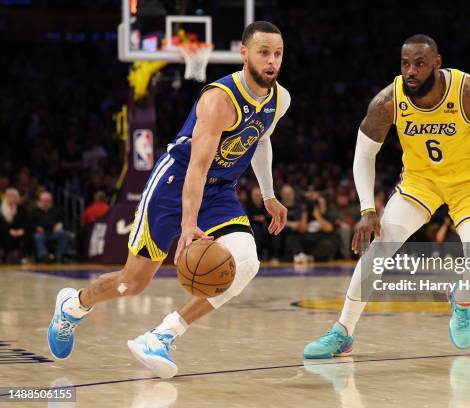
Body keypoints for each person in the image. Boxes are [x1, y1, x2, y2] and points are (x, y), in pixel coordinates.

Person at [47, 21, 290, 379]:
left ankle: (161, 336)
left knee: (246, 263)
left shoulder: (279, 99)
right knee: (133, 283)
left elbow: (261, 139)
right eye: (264, 52)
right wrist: (188, 225)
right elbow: (197, 166)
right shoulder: (219, 100)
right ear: (244, 53)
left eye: (278, 54)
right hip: (174, 183)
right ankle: (72, 305)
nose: (272, 61)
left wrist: (268, 194)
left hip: (220, 190)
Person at [304, 34, 470, 358]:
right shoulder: (387, 102)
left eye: (420, 64)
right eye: (406, 63)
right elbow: (363, 154)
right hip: (421, 182)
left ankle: (462, 300)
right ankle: (343, 331)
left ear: (437, 64)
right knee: (379, 248)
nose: (411, 71)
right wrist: (368, 209)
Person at [29, 191, 68, 262]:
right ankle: (44, 256)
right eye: (45, 200)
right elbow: (31, 222)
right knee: (37, 237)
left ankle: (62, 255)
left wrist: (58, 225)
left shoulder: (56, 209)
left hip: (53, 231)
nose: (47, 202)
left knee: (63, 233)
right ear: (41, 201)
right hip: (41, 232)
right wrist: (36, 227)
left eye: (49, 200)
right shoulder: (35, 211)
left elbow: (62, 221)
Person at [0, 188, 27, 263]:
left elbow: (25, 222)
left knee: (26, 235)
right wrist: (9, 230)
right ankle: (5, 255)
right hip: (4, 231)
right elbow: (1, 223)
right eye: (10, 196)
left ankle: (20, 256)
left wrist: (21, 230)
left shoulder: (21, 209)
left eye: (14, 196)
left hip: (18, 231)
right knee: (6, 236)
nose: (12, 198)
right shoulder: (1, 209)